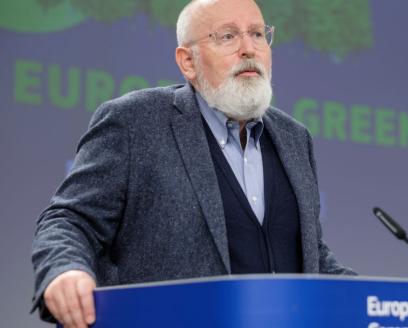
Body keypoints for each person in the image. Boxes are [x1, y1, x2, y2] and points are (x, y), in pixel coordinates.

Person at [31, 0, 355, 327]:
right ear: (188, 61)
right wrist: (65, 269)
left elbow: (308, 254)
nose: (248, 49)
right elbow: (70, 219)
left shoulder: (294, 138)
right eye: (227, 37)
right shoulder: (135, 122)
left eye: (257, 34)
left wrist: (379, 300)